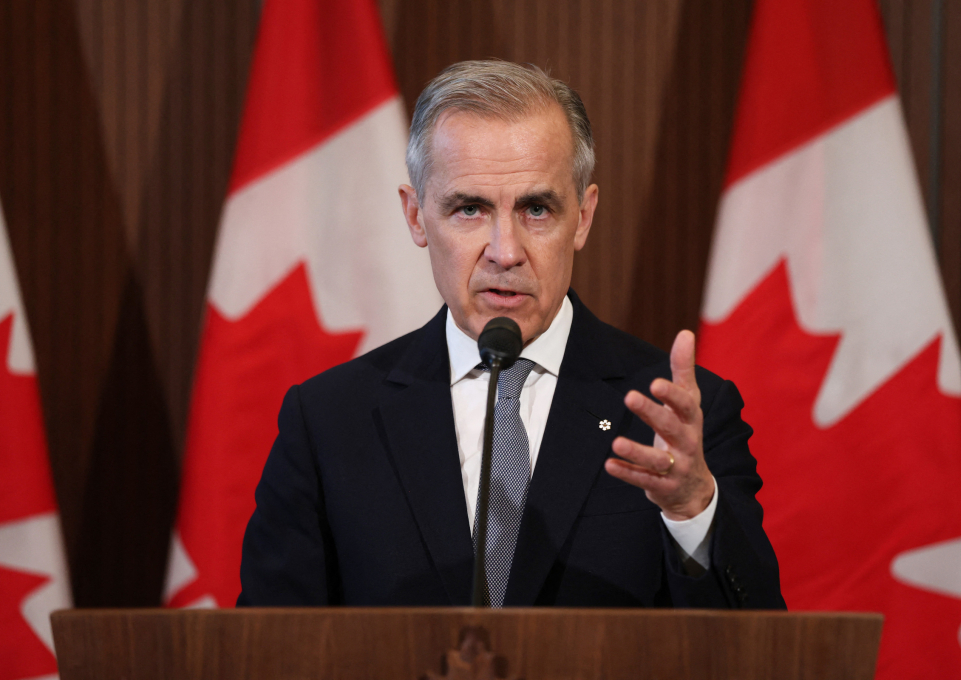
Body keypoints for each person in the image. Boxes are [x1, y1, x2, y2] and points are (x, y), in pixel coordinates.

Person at [237, 60, 784, 609]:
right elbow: (266, 644)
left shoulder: (678, 419)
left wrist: (692, 511)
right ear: (416, 216)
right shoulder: (329, 421)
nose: (505, 252)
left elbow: (757, 640)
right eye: (469, 209)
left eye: (537, 209)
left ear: (583, 216)